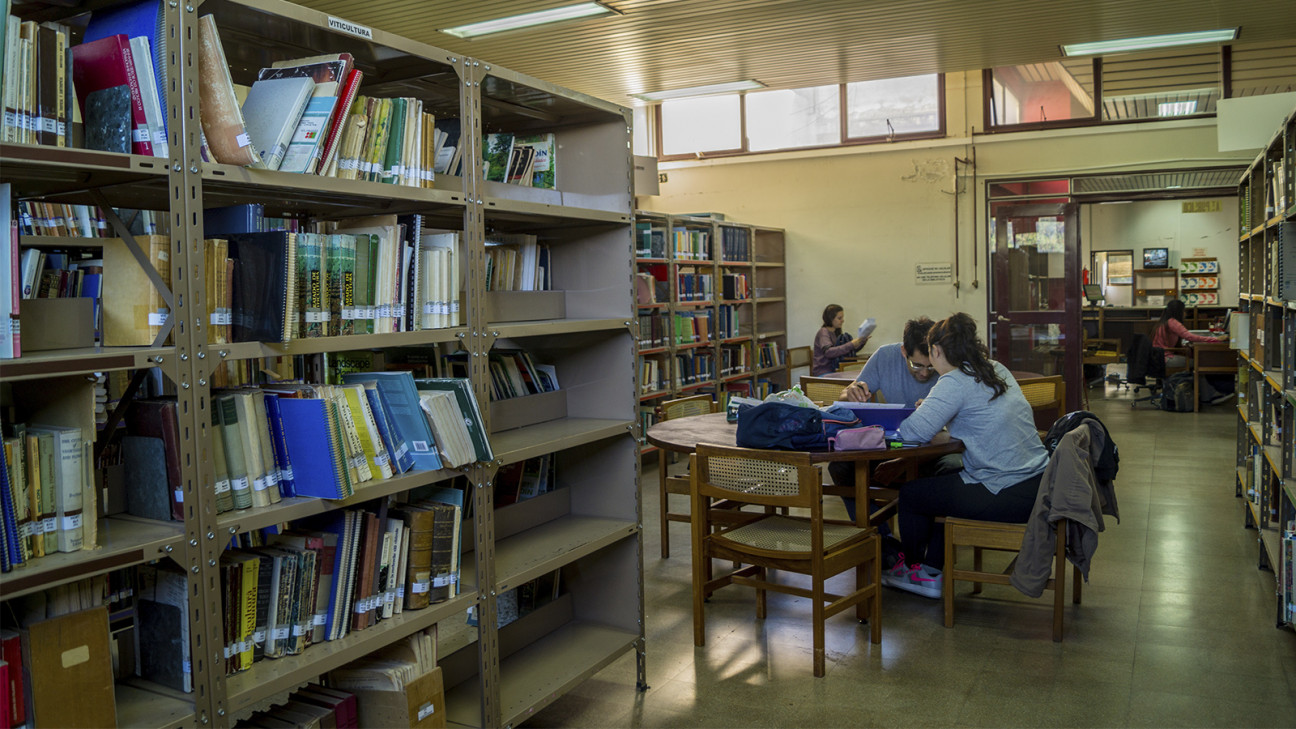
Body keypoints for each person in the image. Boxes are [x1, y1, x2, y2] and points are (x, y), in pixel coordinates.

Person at [882, 312, 1049, 599]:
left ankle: (915, 570)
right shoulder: (996, 368)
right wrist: (939, 411)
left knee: (911, 494)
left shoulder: (953, 382)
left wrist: (926, 411)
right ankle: (932, 567)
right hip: (1039, 482)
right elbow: (980, 418)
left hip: (1003, 489)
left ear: (935, 351)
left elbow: (911, 434)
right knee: (944, 481)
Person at [830, 316, 948, 522]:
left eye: (930, 367)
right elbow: (845, 397)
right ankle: (880, 537)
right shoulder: (885, 356)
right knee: (841, 468)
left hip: (933, 449)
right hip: (895, 443)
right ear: (904, 351)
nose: (924, 373)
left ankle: (922, 542)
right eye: (917, 365)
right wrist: (850, 392)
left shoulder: (945, 362)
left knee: (941, 472)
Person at [1150, 299, 1232, 404]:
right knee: (1199, 363)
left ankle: (1205, 394)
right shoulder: (1173, 322)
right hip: (1166, 359)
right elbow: (1189, 336)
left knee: (1195, 360)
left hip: (1160, 358)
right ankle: (1209, 396)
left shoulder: (1165, 321)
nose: (1185, 313)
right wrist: (1216, 339)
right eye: (1184, 311)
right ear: (1179, 311)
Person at [811, 304, 867, 376]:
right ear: (830, 319)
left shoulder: (835, 332)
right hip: (824, 373)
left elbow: (844, 351)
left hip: (835, 371)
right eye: (839, 318)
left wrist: (861, 342)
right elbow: (829, 352)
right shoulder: (823, 332)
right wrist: (851, 344)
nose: (842, 320)